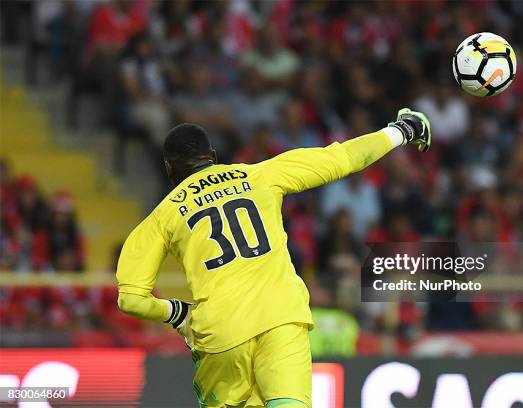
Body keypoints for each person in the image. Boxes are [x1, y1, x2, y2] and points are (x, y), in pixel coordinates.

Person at [115, 108, 432, 407]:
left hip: (221, 331)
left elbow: (131, 299)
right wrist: (400, 131)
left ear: (169, 169)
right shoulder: (260, 175)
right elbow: (343, 158)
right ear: (213, 157)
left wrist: (180, 314)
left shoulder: (162, 217)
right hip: (281, 316)